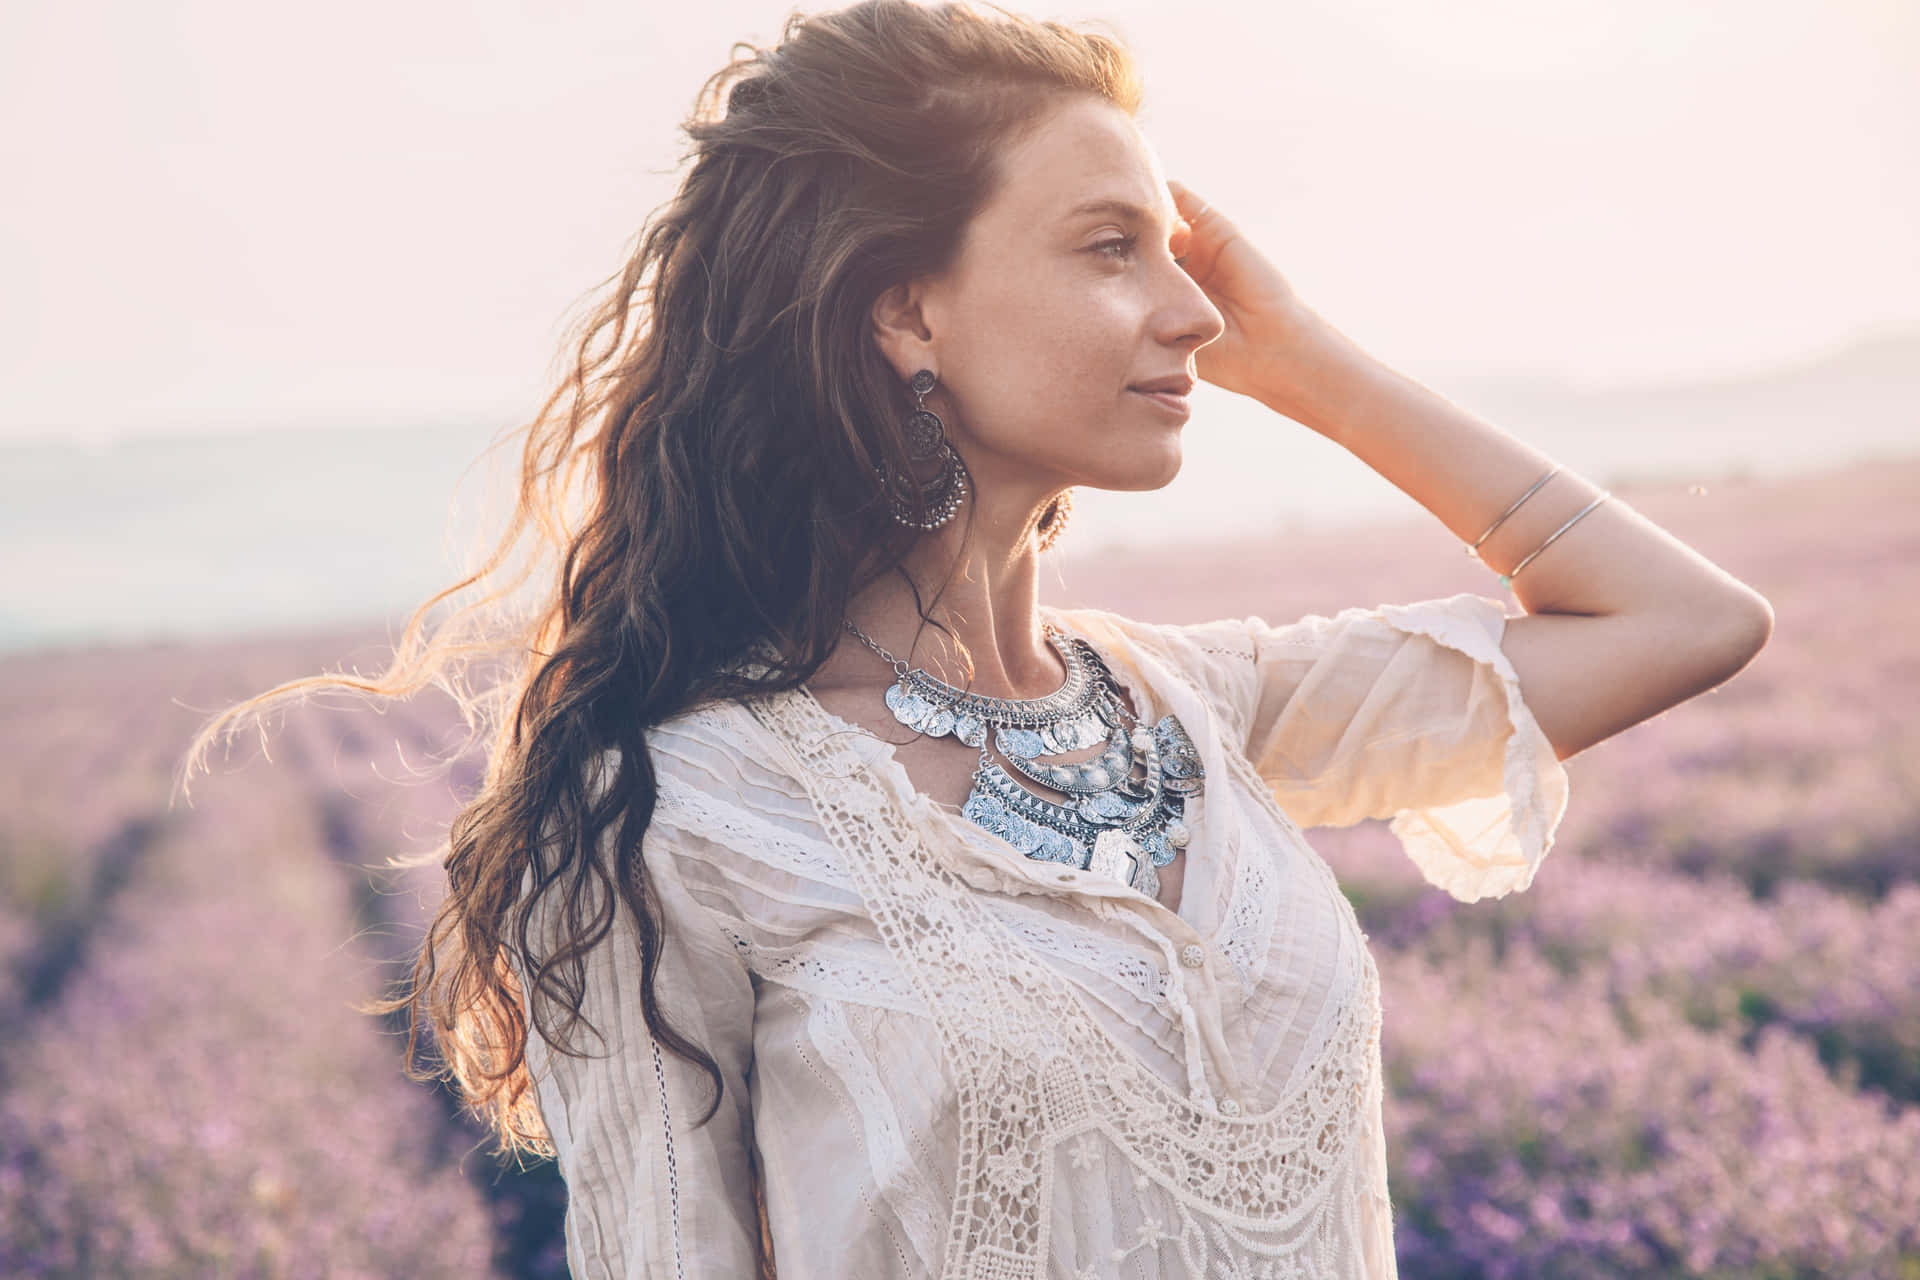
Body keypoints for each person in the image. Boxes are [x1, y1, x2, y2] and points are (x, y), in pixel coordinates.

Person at [185, 1, 1773, 1275]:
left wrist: (1309, 360)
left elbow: (1688, 622)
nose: (1196, 311)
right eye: (1108, 248)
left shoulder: (1202, 704)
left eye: (1179, 252)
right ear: (905, 312)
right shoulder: (679, 813)